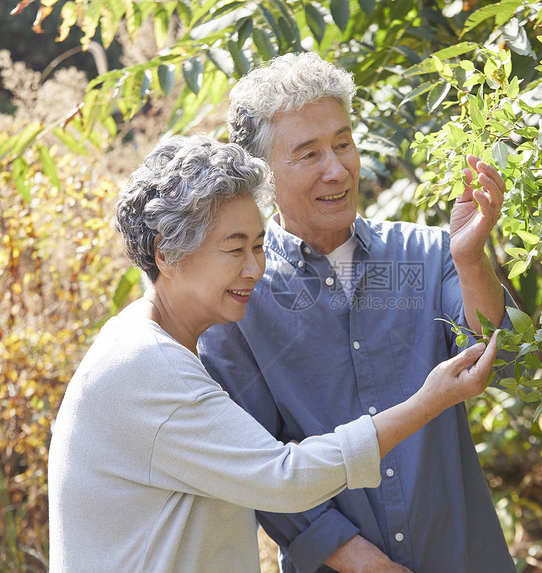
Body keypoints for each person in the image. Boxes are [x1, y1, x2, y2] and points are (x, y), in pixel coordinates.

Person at [47, 134, 500, 572]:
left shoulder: (156, 346)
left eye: (260, 246)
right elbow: (283, 477)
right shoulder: (145, 364)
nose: (254, 268)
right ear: (167, 254)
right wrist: (430, 401)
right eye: (234, 249)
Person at [197, 53, 518, 572]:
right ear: (262, 175)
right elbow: (260, 465)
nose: (337, 168)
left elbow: (495, 361)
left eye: (343, 143)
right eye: (308, 154)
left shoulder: (432, 252)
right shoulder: (239, 301)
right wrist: (361, 562)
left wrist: (470, 257)